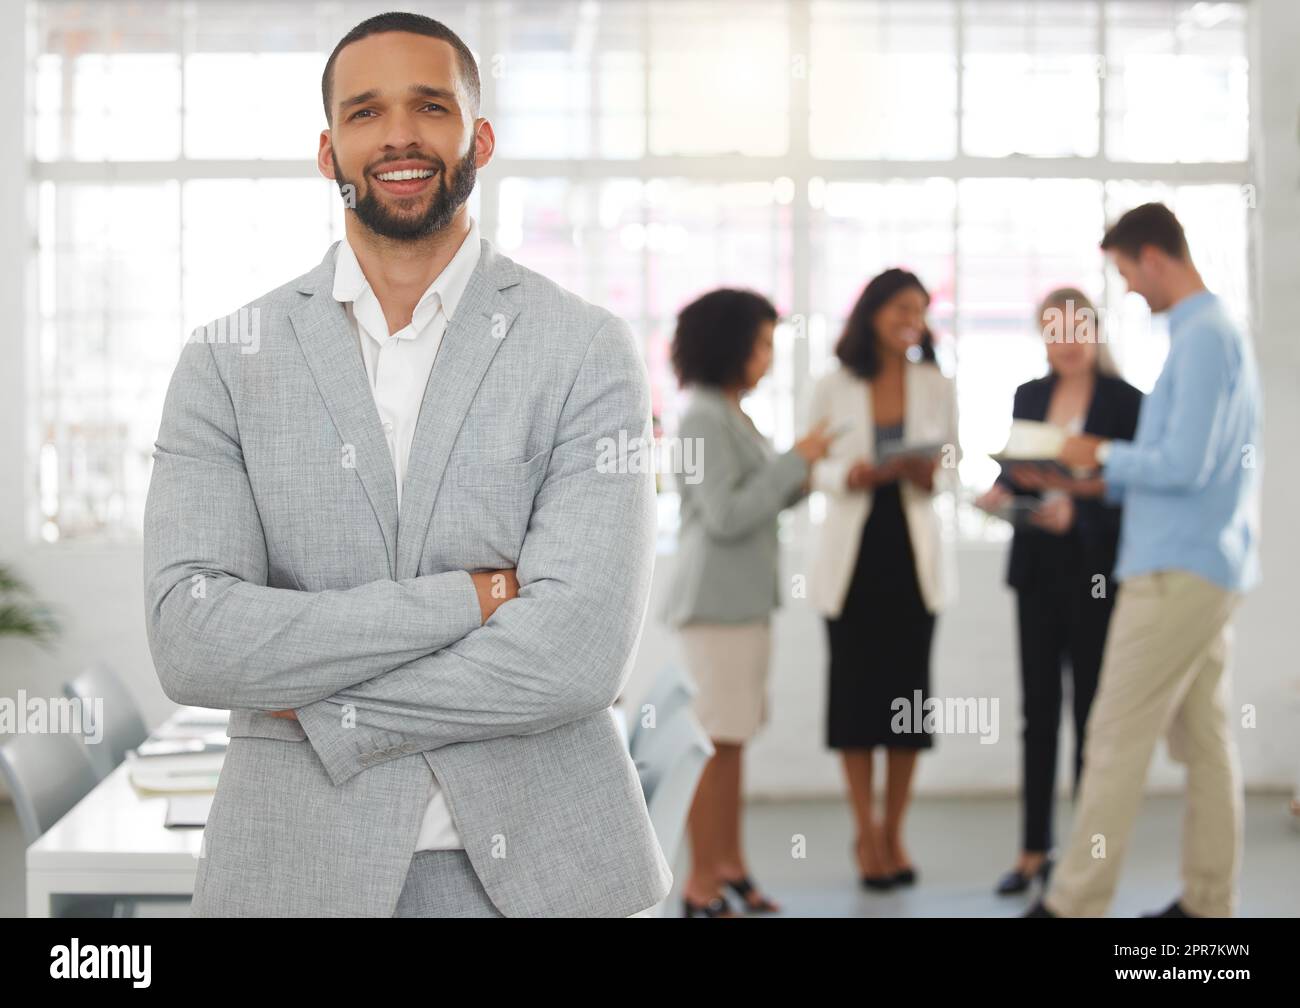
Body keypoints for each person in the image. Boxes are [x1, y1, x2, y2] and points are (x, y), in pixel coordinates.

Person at [143, 12, 670, 918]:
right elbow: (193, 641)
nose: (399, 136)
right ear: (328, 151)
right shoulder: (227, 360)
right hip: (293, 874)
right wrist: (469, 598)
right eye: (365, 112)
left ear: (480, 138)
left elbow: (576, 654)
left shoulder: (585, 349)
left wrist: (324, 712)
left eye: (431, 106)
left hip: (540, 874)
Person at [1026, 202, 1262, 918]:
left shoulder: (1201, 340)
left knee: (1113, 736)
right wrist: (1093, 477)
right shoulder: (1212, 334)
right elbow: (1181, 465)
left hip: (1172, 573)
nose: (1127, 288)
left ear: (1154, 257)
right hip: (1206, 565)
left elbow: (1184, 464)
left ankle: (1072, 903)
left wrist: (1090, 451)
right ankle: (1208, 904)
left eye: (1127, 272)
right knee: (1205, 739)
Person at [662, 289, 832, 918]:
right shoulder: (704, 414)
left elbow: (752, 503)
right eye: (760, 345)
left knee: (731, 742)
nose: (766, 359)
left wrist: (798, 474)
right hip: (715, 610)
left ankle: (728, 867)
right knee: (712, 745)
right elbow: (727, 514)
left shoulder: (730, 412)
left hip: (741, 606)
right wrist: (795, 463)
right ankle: (700, 883)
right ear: (729, 345)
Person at [975, 288, 1142, 896]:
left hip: (1096, 575)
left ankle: (1084, 854)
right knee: (1037, 713)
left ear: (1096, 332)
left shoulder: (1128, 404)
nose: (1066, 342)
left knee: (1092, 715)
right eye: (1054, 330)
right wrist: (1000, 495)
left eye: (1077, 328)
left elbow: (1137, 495)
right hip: (1037, 572)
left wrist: (1080, 519)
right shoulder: (1031, 395)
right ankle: (1031, 851)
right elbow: (1019, 467)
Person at [806, 268, 960, 890]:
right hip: (853, 563)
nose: (912, 319)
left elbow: (953, 462)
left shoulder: (937, 384)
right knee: (855, 705)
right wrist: (850, 475)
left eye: (920, 310)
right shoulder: (832, 385)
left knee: (907, 706)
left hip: (911, 561)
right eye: (901, 307)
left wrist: (932, 477)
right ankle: (864, 830)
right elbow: (809, 466)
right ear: (871, 311)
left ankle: (894, 828)